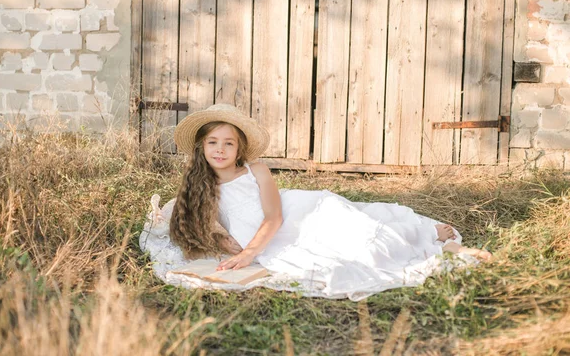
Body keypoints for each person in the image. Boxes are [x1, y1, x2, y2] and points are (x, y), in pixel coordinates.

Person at [150, 103, 491, 299]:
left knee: (362, 236)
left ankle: (441, 247)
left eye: (228, 143)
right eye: (213, 143)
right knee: (343, 260)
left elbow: (273, 217)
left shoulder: (256, 171)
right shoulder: (198, 184)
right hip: (263, 243)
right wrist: (226, 245)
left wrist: (249, 252)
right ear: (202, 147)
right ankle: (434, 248)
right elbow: (192, 220)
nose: (220, 150)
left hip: (296, 215)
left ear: (239, 149)